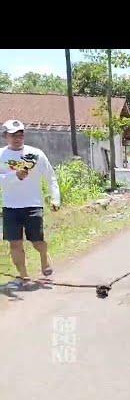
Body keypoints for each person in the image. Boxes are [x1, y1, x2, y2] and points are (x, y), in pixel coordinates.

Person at [0, 120, 60, 289]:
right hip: (10, 206)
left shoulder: (36, 154)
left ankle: (44, 256)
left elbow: (50, 177)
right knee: (15, 243)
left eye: (20, 135)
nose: (17, 139)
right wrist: (14, 176)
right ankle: (23, 276)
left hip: (33, 205)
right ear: (5, 136)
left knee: (37, 241)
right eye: (13, 135)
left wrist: (55, 198)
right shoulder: (1, 155)